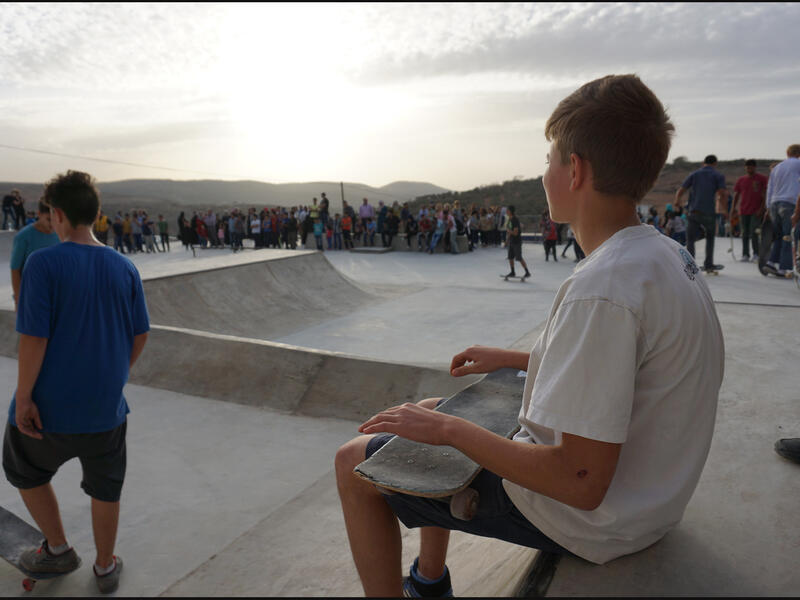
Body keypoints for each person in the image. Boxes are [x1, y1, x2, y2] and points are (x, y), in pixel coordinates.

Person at [335, 74, 725, 597]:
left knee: (353, 461)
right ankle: (429, 581)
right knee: (437, 405)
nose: (544, 174)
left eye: (549, 160)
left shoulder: (603, 289)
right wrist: (521, 357)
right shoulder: (660, 255)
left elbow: (580, 482)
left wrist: (448, 432)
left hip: (594, 520)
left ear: (575, 169)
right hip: (653, 497)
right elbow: (633, 366)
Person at [2, 170, 149, 594]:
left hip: (47, 408)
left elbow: (34, 336)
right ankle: (105, 566)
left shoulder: (43, 262)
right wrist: (118, 373)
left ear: (58, 215)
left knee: (24, 469)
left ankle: (58, 548)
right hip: (106, 410)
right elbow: (141, 333)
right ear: (97, 214)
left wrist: (24, 395)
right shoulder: (125, 267)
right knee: (106, 486)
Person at [674, 154, 727, 271]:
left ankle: (690, 265)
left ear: (704, 162)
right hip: (709, 212)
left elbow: (681, 190)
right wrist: (724, 210)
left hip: (694, 211)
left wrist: (677, 202)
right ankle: (708, 265)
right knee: (710, 238)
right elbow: (722, 194)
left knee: (691, 240)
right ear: (715, 164)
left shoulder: (694, 174)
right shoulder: (718, 175)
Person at [9, 200, 60, 311]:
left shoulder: (60, 235)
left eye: (55, 220)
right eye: (48, 220)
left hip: (54, 297)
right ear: (39, 214)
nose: (52, 224)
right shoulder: (24, 237)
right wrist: (18, 300)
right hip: (30, 296)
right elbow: (15, 269)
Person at [764, 144, 800, 276]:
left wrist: (768, 207)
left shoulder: (777, 167)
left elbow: (770, 188)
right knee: (789, 236)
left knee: (779, 235)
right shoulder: (798, 164)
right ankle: (784, 268)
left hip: (774, 203)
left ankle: (771, 262)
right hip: (789, 202)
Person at [731, 159, 767, 262]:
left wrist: (762, 208)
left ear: (755, 167)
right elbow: (736, 195)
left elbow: (765, 194)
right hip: (743, 210)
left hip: (756, 211)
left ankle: (756, 254)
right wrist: (733, 208)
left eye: (751, 167)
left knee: (754, 232)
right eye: (747, 167)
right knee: (744, 233)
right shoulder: (741, 180)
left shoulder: (762, 179)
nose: (749, 169)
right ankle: (745, 254)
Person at [503, 205, 531, 278]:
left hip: (516, 241)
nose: (506, 211)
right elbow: (510, 231)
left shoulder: (514, 220)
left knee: (519, 257)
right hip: (511, 241)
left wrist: (508, 231)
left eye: (507, 210)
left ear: (510, 211)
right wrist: (507, 241)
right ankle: (512, 272)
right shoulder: (509, 219)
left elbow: (515, 233)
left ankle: (527, 272)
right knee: (510, 257)